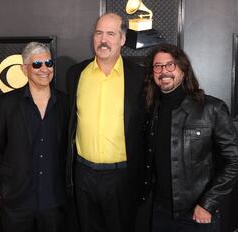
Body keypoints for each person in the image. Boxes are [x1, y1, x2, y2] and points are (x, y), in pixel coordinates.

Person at [143, 43, 238, 232]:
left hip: (198, 214)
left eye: (170, 65)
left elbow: (235, 160)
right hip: (160, 213)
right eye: (158, 66)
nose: (164, 71)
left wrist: (208, 204)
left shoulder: (212, 108)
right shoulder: (151, 110)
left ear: (183, 69)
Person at [65, 12, 145, 232]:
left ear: (122, 39)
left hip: (121, 177)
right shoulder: (75, 74)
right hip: (83, 174)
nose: (103, 40)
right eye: (99, 33)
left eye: (111, 34)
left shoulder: (139, 78)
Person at [0, 42, 69, 232]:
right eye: (37, 64)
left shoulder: (65, 103)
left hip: (54, 202)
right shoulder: (6, 104)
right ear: (25, 69)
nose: (44, 69)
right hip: (17, 202)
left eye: (49, 63)